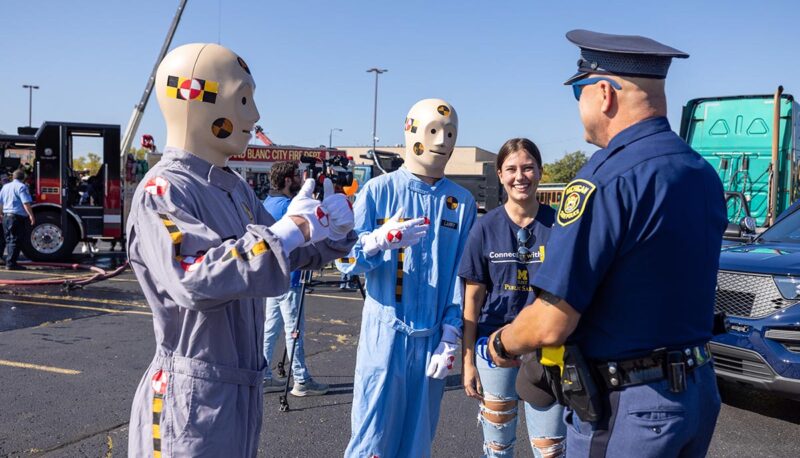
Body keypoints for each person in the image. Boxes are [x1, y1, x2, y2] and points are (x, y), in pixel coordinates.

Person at [488, 30, 727, 457]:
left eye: (578, 93)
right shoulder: (700, 172)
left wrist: (501, 343)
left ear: (604, 93)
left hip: (631, 409)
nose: (579, 107)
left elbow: (550, 322)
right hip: (697, 392)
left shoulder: (606, 179)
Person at [125, 43, 356, 457]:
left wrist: (333, 233)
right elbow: (193, 275)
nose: (253, 116)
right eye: (243, 100)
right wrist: (296, 228)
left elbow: (285, 252)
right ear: (195, 98)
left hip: (237, 389)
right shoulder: (164, 190)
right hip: (190, 396)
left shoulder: (236, 191)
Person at [337, 98, 477, 458]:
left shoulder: (460, 203)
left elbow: (463, 276)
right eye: (433, 131)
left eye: (450, 133)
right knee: (372, 438)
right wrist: (375, 242)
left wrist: (451, 332)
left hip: (432, 340)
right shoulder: (378, 191)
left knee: (418, 440)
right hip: (385, 337)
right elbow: (344, 260)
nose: (442, 141)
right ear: (410, 131)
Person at [459, 138, 565, 458]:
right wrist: (467, 362)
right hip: (494, 346)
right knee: (498, 446)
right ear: (500, 175)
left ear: (540, 172)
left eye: (528, 168)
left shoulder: (561, 225)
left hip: (548, 349)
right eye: (512, 169)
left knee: (550, 449)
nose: (520, 176)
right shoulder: (484, 228)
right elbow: (472, 301)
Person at [261, 161, 329, 396]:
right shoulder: (290, 207)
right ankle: (301, 379)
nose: (301, 180)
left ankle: (262, 375)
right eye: (298, 177)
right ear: (288, 180)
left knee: (271, 328)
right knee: (294, 330)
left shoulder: (267, 203)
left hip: (271, 278)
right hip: (290, 278)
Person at [0, 169, 35, 270]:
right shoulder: (22, 187)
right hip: (16, 217)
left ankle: (9, 261)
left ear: (13, 177)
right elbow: (26, 202)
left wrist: (0, 214)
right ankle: (11, 263)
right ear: (23, 178)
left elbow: (0, 202)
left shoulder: (5, 187)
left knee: (8, 239)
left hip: (6, 216)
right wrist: (31, 215)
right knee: (15, 240)